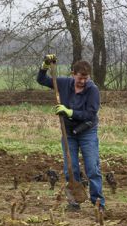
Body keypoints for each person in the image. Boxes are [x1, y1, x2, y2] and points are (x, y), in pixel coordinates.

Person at [38, 56, 103, 212]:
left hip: (87, 131)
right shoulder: (64, 83)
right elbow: (42, 80)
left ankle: (98, 203)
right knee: (70, 168)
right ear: (73, 74)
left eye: (85, 78)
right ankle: (74, 201)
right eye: (80, 78)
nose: (82, 81)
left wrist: (69, 111)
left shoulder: (92, 90)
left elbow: (90, 114)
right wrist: (45, 65)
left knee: (92, 168)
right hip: (68, 133)